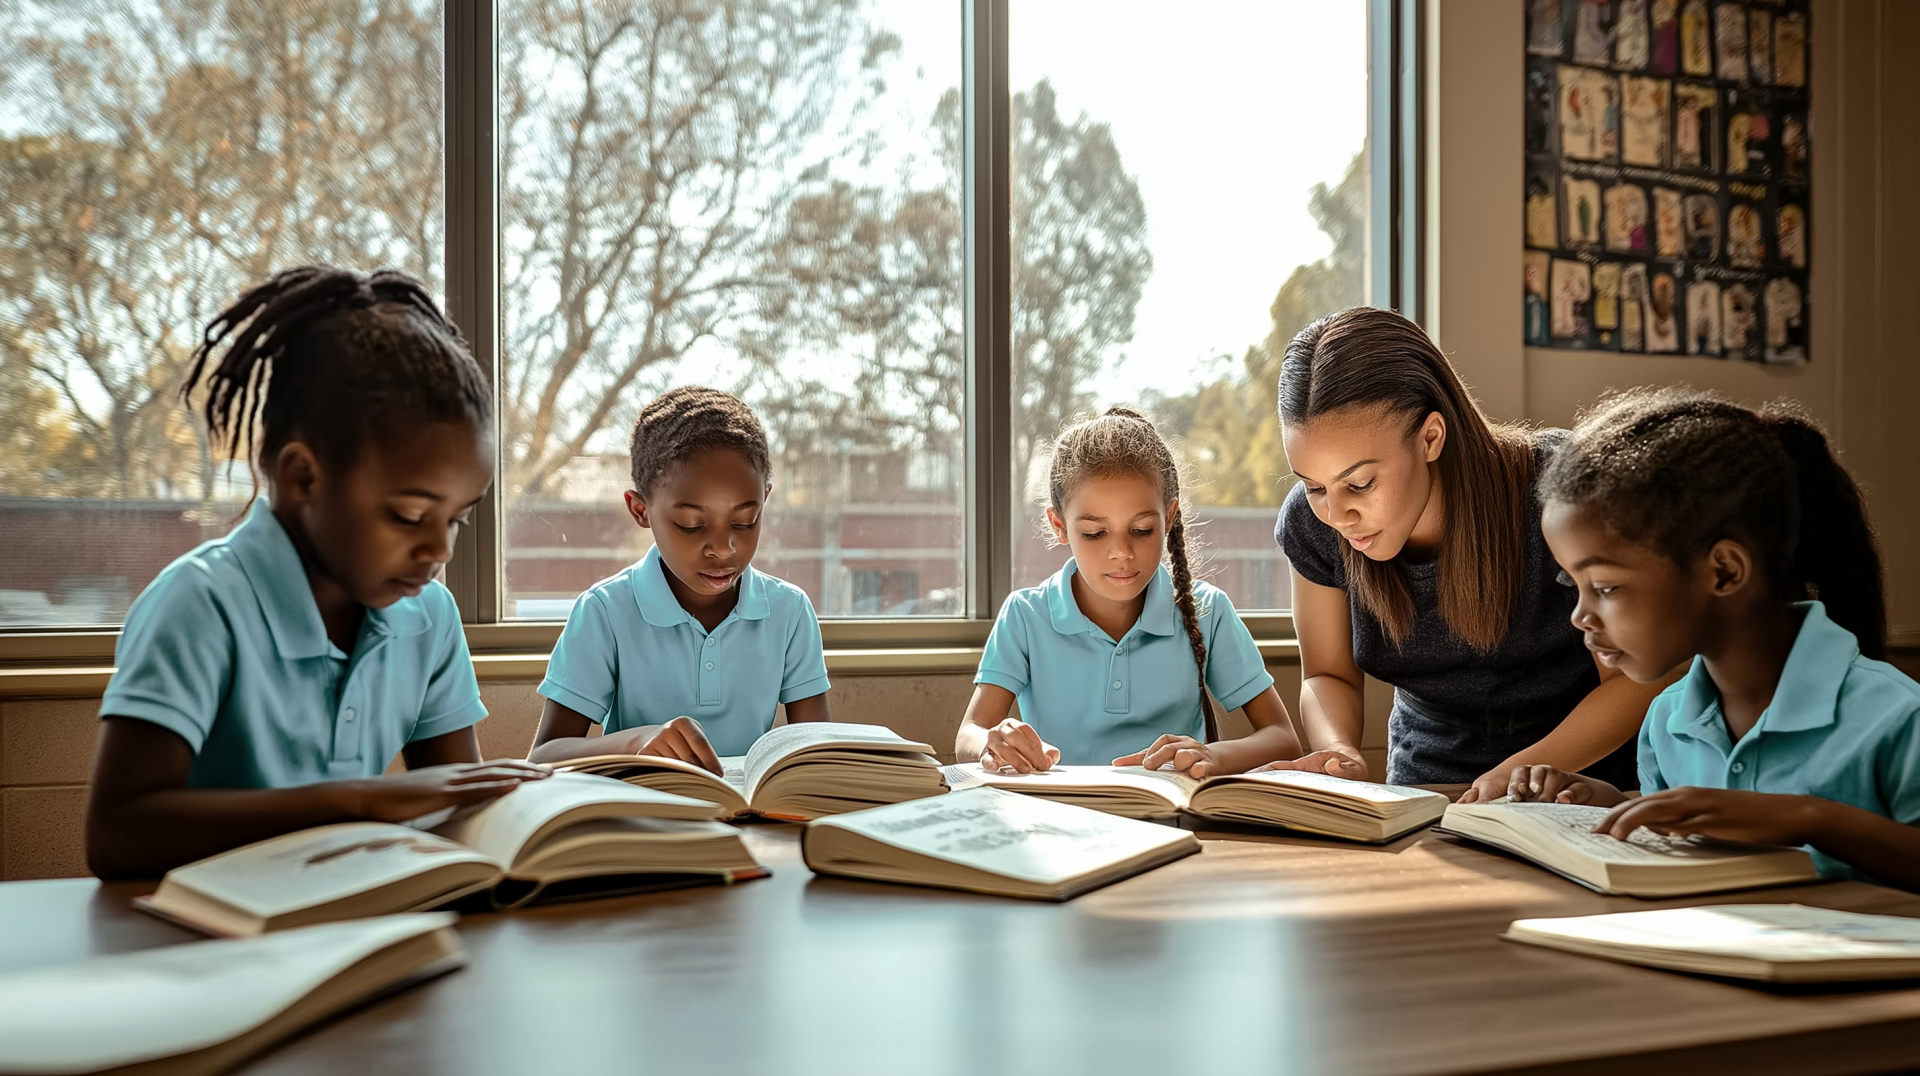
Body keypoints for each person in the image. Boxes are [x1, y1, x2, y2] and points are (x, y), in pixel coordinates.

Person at [85, 266, 550, 880]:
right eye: (409, 515)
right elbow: (117, 833)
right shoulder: (200, 603)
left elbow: (458, 801)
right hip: (201, 947)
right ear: (304, 477)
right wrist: (355, 803)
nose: (439, 548)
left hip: (358, 924)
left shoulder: (429, 616)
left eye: (458, 518)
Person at [1491, 389, 1920, 891]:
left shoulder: (1895, 717)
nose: (1581, 616)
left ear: (1723, 570)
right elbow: (1689, 847)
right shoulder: (1668, 720)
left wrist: (1809, 819)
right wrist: (1614, 804)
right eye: (1574, 587)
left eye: (1605, 587)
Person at [1263, 307, 1668, 798]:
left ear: (1430, 437)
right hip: (1425, 783)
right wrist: (1339, 750)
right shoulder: (1314, 523)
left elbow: (1633, 679)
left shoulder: (1562, 487)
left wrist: (1517, 773)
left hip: (1582, 780)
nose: (1337, 513)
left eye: (1361, 482)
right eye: (1313, 486)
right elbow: (1327, 673)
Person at [955, 407, 1300, 776]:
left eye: (1141, 530)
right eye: (1094, 533)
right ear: (1059, 525)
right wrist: (994, 741)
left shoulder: (1207, 610)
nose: (1122, 551)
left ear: (1168, 519)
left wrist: (1215, 755)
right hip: (1057, 823)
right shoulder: (1025, 616)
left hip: (1173, 822)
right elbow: (967, 738)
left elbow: (1282, 737)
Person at [528, 387, 829, 772]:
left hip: (753, 823)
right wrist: (637, 741)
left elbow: (821, 753)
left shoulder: (790, 611)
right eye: (691, 524)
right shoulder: (605, 611)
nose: (723, 548)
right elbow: (542, 758)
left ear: (764, 502)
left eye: (744, 521)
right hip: (644, 823)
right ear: (640, 510)